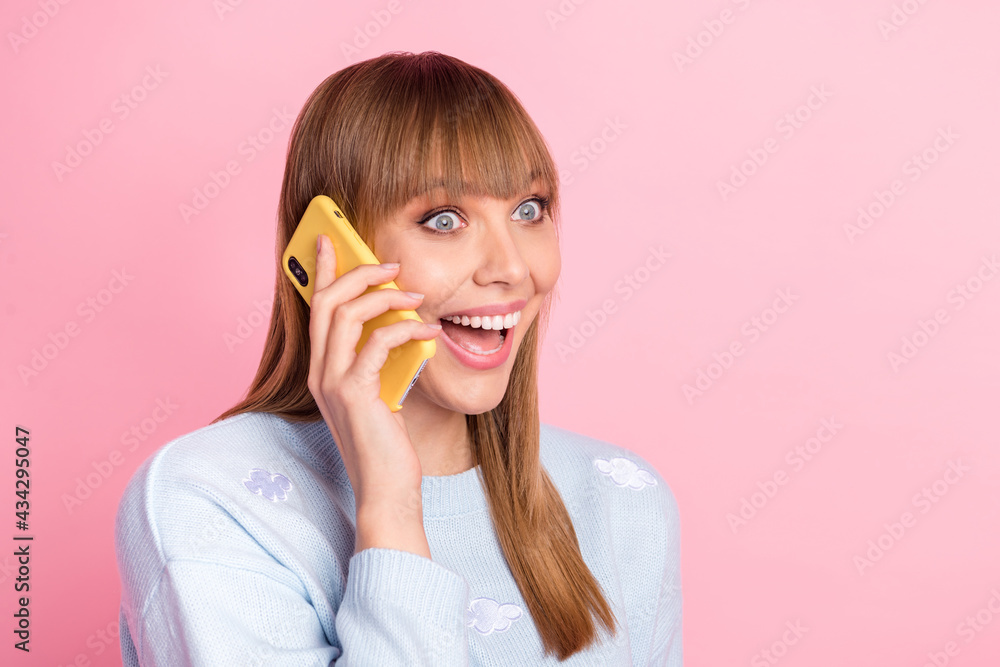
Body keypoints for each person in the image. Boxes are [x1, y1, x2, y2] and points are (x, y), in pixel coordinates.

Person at [114, 50, 681, 665]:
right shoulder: (211, 499)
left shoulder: (624, 496)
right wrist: (388, 504)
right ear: (335, 253)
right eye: (444, 219)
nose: (513, 268)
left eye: (529, 210)